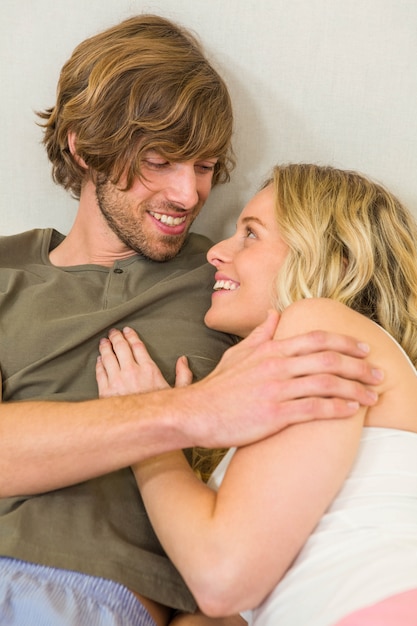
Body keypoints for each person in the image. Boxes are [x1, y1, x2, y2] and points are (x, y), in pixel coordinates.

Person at [0, 14, 382, 625]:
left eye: (204, 167)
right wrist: (186, 412)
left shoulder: (230, 283)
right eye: (160, 161)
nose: (188, 195)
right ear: (82, 144)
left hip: (96, 599)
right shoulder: (5, 269)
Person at [96, 163, 417, 625]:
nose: (216, 252)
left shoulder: (322, 325)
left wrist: (149, 431)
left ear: (335, 258)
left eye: (251, 234)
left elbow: (223, 577)